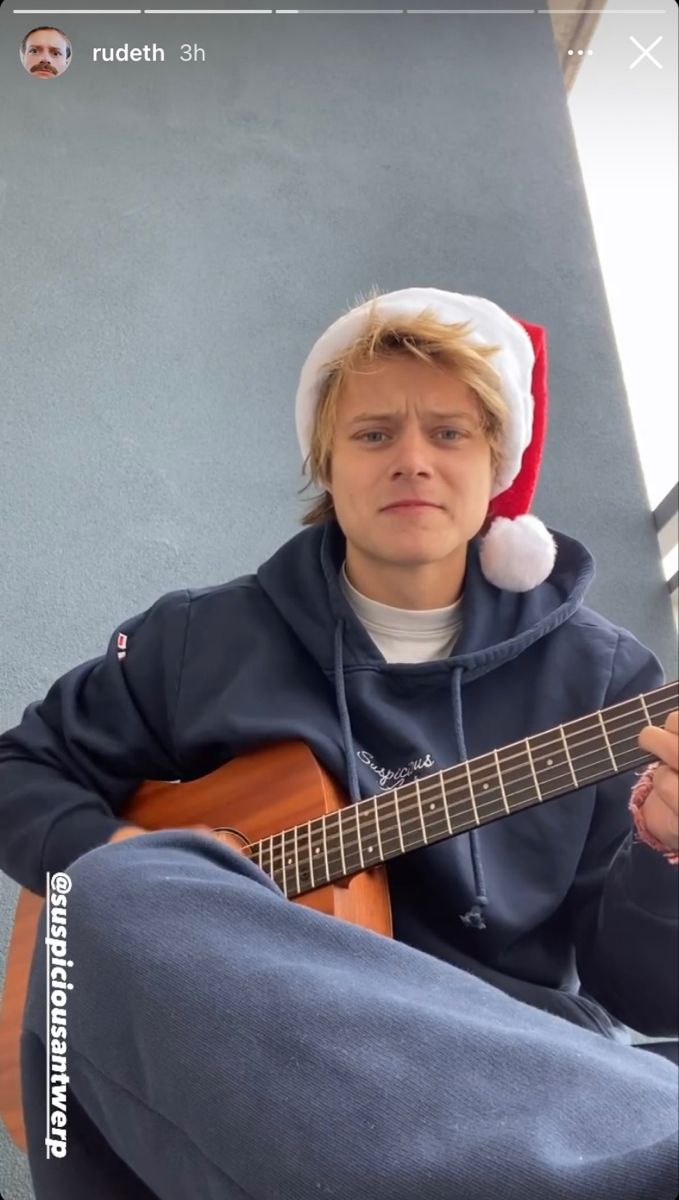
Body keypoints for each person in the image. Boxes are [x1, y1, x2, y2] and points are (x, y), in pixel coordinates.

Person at [1, 286, 677, 1199]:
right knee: (103, 897)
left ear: (495, 464)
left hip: (507, 1069)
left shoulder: (605, 683)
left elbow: (646, 1000)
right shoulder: (198, 641)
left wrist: (664, 854)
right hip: (244, 1051)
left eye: (448, 433)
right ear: (324, 460)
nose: (411, 461)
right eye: (372, 434)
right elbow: (18, 770)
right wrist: (138, 863)